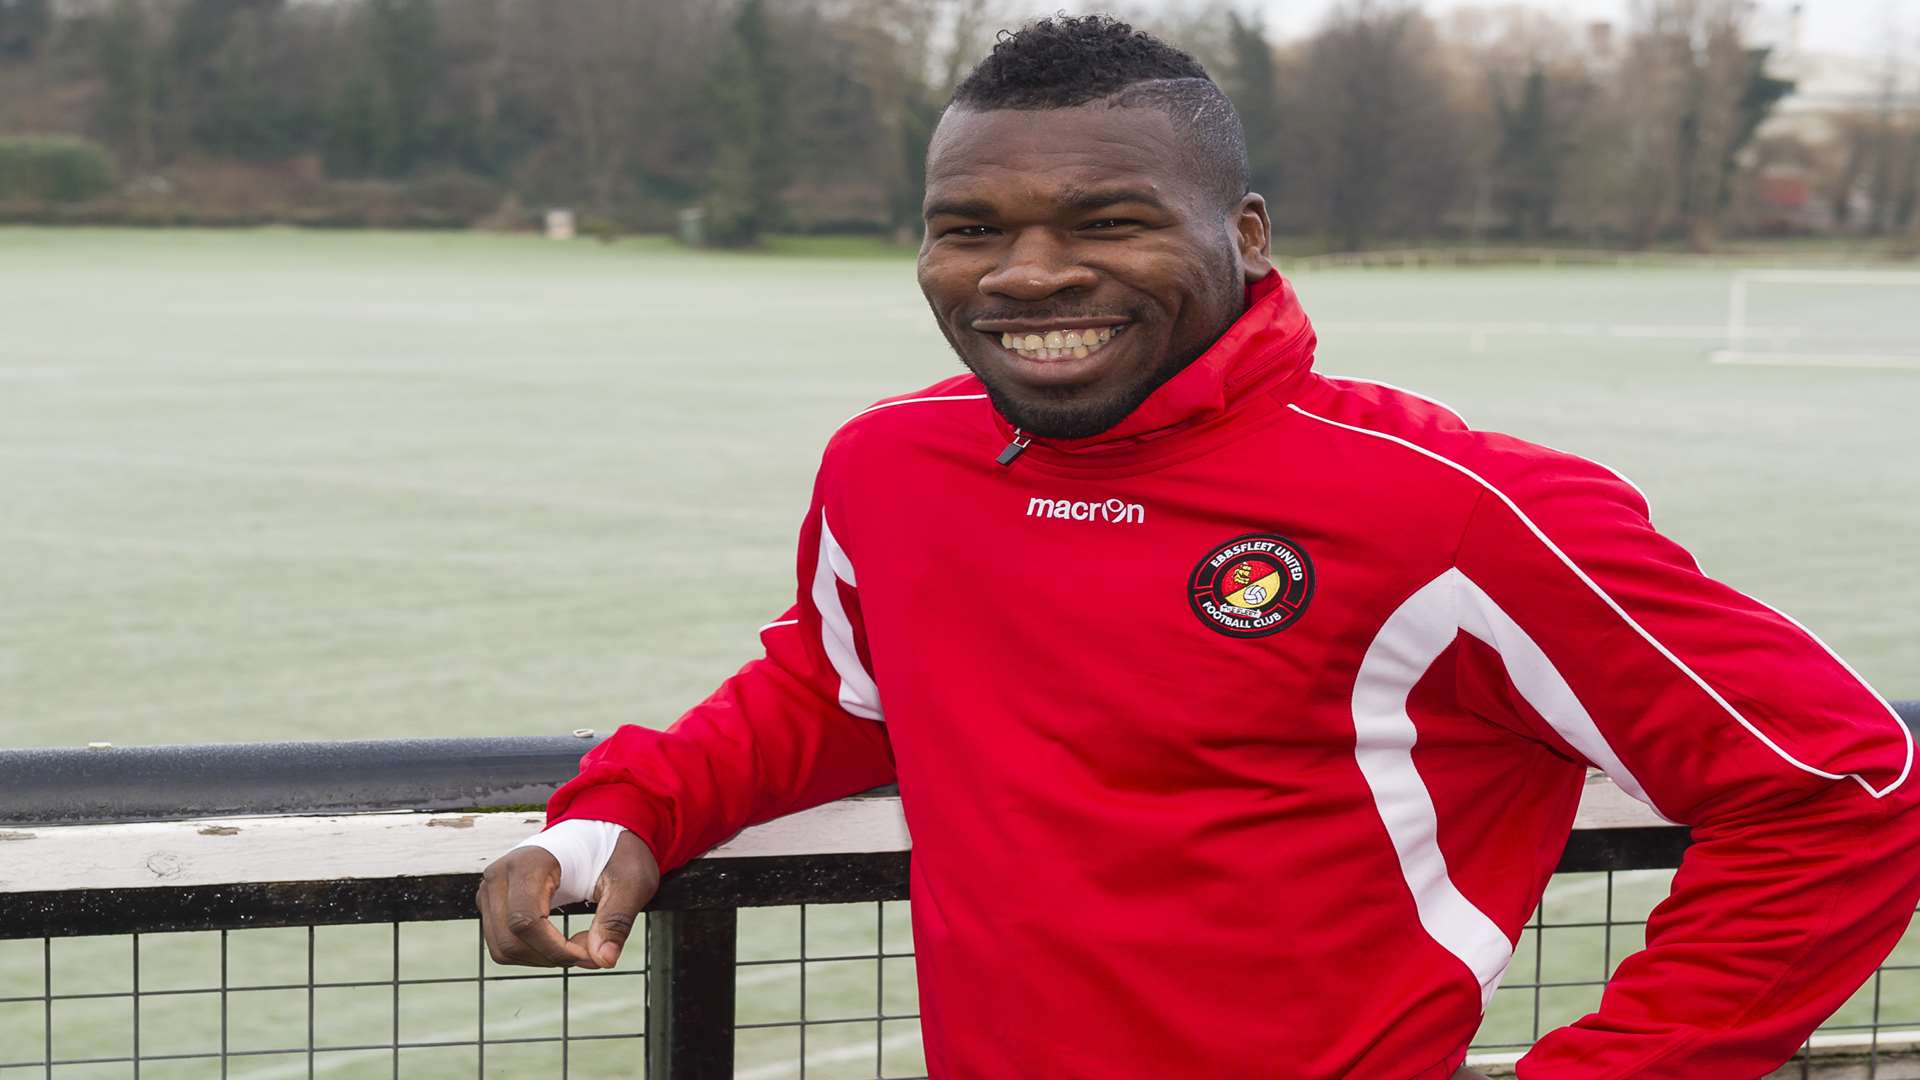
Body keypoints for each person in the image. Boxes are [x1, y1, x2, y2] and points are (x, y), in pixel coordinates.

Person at [477, 15, 1920, 1078]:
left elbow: (1845, 788)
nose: (1027, 274)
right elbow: (840, 693)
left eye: (1108, 220)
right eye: (967, 227)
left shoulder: (1451, 507)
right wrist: (625, 812)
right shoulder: (890, 466)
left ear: (1244, 232)